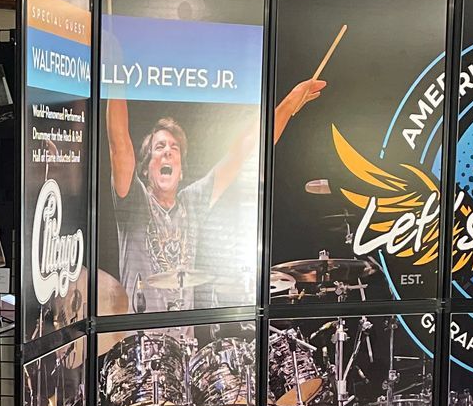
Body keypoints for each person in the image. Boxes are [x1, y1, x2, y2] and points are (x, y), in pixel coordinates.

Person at [103, 77, 327, 310]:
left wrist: (289, 103)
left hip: (184, 343)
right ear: (146, 169)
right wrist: (115, 72)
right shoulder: (134, 201)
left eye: (174, 148)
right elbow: (120, 146)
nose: (167, 152)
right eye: (159, 147)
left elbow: (244, 153)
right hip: (137, 341)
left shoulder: (191, 201)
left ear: (181, 172)